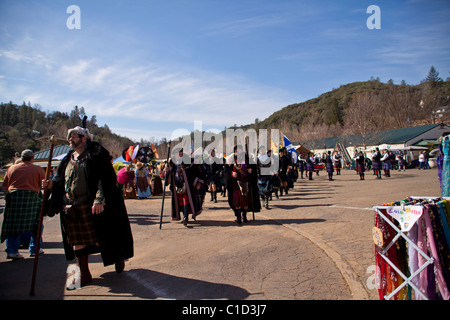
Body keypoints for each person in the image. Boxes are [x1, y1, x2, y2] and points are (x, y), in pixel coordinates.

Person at [42, 125, 134, 288]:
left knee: (104, 238)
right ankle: (84, 274)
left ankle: (118, 256)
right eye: (69, 136)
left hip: (92, 204)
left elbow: (104, 179)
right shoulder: (67, 159)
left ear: (84, 138)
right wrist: (50, 185)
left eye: (74, 135)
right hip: (72, 206)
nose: (70, 138)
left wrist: (99, 199)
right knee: (77, 240)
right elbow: (60, 181)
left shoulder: (96, 156)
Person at [1, 149, 45, 260]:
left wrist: (8, 197)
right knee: (37, 225)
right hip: (31, 199)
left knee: (13, 226)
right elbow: (44, 185)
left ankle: (12, 251)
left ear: (21, 157)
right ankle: (35, 249)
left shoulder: (11, 168)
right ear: (32, 157)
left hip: (14, 198)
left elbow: (5, 186)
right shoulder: (38, 169)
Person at [166, 149, 203, 226]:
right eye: (177, 153)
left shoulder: (188, 162)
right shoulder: (172, 163)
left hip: (187, 185)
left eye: (181, 152)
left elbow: (196, 171)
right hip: (176, 185)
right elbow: (169, 175)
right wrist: (167, 171)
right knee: (179, 203)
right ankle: (183, 216)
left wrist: (198, 182)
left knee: (185, 201)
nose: (179, 154)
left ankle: (185, 217)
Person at [225, 145, 261, 224]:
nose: (238, 152)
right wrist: (231, 173)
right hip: (235, 183)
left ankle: (244, 216)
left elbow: (254, 167)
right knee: (237, 202)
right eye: (236, 150)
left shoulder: (247, 159)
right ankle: (238, 218)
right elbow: (226, 170)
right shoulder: (230, 160)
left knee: (245, 202)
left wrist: (250, 170)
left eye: (240, 150)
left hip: (245, 182)